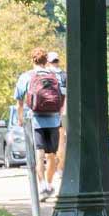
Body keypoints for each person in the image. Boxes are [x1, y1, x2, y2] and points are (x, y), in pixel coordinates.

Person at [11, 50, 64, 199]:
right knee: (52, 155)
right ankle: (49, 183)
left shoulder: (26, 76)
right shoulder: (54, 76)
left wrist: (20, 119)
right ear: (46, 61)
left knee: (39, 154)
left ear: (32, 61)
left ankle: (42, 186)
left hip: (36, 120)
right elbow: (61, 96)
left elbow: (19, 101)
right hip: (54, 119)